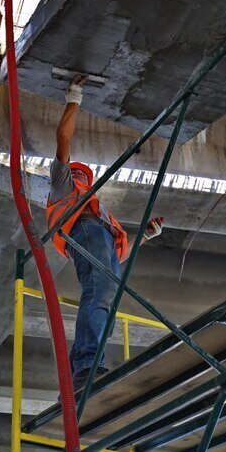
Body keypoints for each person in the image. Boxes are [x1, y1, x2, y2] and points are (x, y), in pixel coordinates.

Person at [47, 76, 164, 389]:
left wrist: (146, 236)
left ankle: (85, 368)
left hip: (95, 239)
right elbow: (62, 137)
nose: (83, 179)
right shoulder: (63, 186)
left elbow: (115, 254)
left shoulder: (100, 212)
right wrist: (75, 97)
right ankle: (86, 364)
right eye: (80, 174)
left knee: (106, 300)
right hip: (83, 233)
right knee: (99, 293)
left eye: (85, 176)